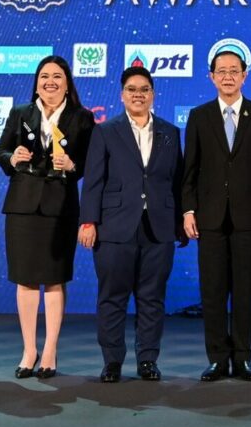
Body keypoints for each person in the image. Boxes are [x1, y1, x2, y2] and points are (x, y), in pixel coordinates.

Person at [79, 66, 184, 383]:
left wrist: (180, 221)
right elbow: (93, 181)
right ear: (122, 95)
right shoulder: (105, 131)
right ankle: (112, 361)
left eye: (144, 89)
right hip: (114, 227)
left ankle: (148, 360)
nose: (138, 94)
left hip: (159, 227)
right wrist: (88, 221)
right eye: (132, 89)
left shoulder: (170, 132)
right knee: (112, 297)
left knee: (152, 298)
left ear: (153, 94)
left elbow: (177, 181)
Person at [182, 48, 251, 381]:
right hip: (208, 217)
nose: (227, 76)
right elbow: (190, 169)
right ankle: (216, 358)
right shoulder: (199, 116)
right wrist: (188, 209)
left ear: (244, 75)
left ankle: (242, 358)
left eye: (234, 70)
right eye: (221, 71)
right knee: (212, 291)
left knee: (243, 290)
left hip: (248, 216)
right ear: (211, 77)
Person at [0, 56, 94, 380]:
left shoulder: (82, 117)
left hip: (60, 206)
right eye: (44, 76)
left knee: (54, 279)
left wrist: (73, 166)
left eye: (57, 76)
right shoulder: (20, 113)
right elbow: (0, 151)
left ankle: (49, 350)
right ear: (37, 83)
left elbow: (92, 163)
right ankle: (29, 350)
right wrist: (13, 157)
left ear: (67, 83)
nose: (50, 81)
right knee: (25, 279)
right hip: (22, 205)